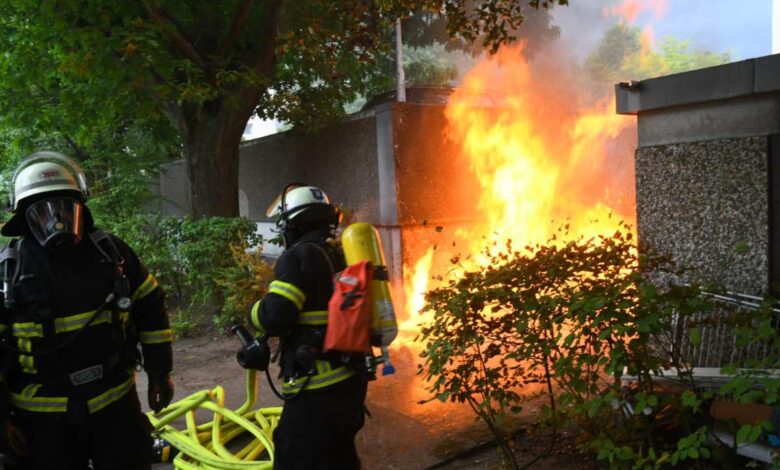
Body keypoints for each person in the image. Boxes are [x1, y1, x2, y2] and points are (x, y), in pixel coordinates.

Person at [0, 151, 174, 469]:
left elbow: (151, 308)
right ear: (25, 218)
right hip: (43, 421)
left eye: (66, 208)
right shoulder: (8, 272)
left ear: (82, 208)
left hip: (116, 406)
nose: (57, 221)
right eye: (43, 212)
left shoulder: (112, 254)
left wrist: (160, 371)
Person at [249, 184, 368, 469]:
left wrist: (253, 312)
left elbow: (276, 316)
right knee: (340, 455)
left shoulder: (298, 257)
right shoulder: (341, 253)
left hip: (317, 386)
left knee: (294, 456)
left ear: (293, 224)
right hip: (352, 379)